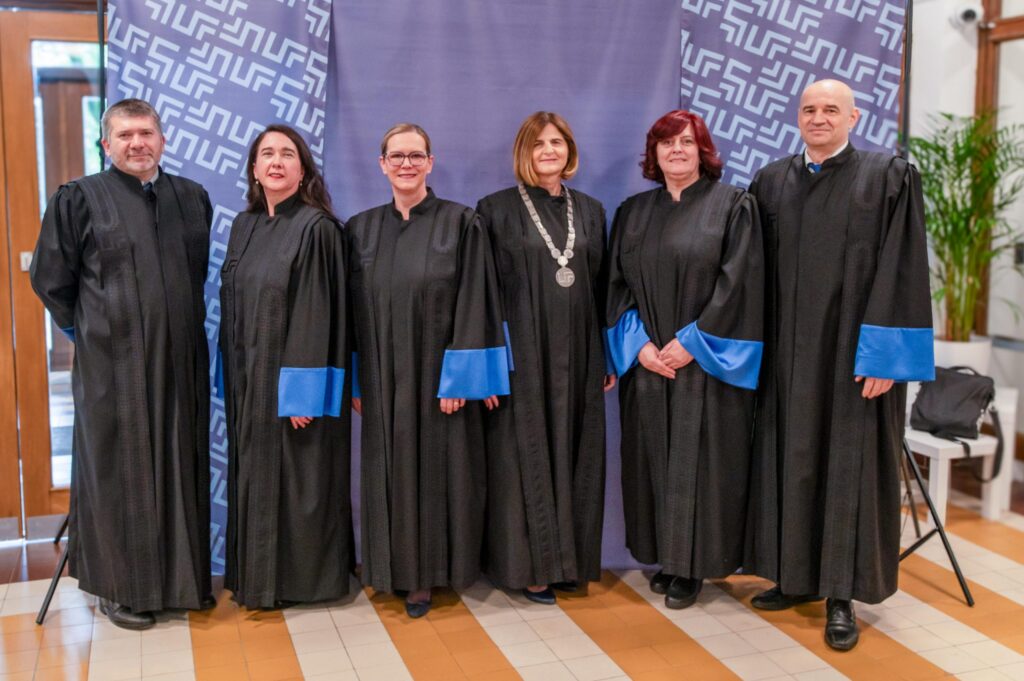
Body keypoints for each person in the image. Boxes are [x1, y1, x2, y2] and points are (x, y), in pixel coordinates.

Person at [744, 79, 934, 651]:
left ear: (853, 117)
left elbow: (904, 268)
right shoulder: (770, 181)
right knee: (789, 458)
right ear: (797, 117)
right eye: (809, 109)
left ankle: (841, 595)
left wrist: (886, 358)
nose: (818, 117)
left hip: (855, 356)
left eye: (831, 109)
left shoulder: (887, 177)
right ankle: (793, 576)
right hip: (785, 356)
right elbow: (749, 272)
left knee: (846, 465)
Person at [30, 98, 212, 630]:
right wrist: (95, 332)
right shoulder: (79, 199)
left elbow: (194, 275)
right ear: (106, 143)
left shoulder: (191, 198)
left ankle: (181, 584)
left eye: (146, 133)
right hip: (113, 369)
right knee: (118, 472)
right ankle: (119, 590)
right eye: (126, 135)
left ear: (162, 139)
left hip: (179, 363)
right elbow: (51, 280)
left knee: (177, 464)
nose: (138, 143)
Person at [347, 123, 510, 618]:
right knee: (390, 472)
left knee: (440, 473)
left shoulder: (461, 224)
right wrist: (358, 379)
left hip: (441, 380)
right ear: (382, 164)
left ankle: (428, 577)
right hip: (383, 377)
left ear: (430, 163)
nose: (406, 164)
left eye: (416, 156)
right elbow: (350, 314)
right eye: (396, 156)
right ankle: (390, 569)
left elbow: (477, 299)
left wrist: (461, 378)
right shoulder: (359, 230)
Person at [605, 110, 763, 611]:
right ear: (654, 153)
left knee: (703, 465)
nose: (676, 150)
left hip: (706, 364)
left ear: (703, 151)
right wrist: (639, 346)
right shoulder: (633, 213)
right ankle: (668, 559)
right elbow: (615, 287)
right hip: (651, 363)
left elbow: (741, 284)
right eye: (667, 142)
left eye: (687, 142)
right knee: (652, 458)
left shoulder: (733, 206)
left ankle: (695, 565)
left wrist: (693, 342)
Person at [476, 112, 613, 605]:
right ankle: (529, 568)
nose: (548, 151)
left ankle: (569, 564)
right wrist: (488, 365)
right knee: (524, 455)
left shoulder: (592, 210)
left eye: (557, 142)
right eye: (538, 144)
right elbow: (481, 293)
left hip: (580, 352)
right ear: (524, 152)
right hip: (522, 354)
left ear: (569, 150)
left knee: (579, 450)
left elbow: (604, 288)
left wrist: (606, 357)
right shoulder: (494, 210)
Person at [219, 124, 352, 609]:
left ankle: (297, 585)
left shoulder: (317, 229)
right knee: (255, 478)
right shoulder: (244, 226)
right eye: (267, 154)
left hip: (293, 388)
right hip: (250, 385)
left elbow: (319, 315)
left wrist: (302, 395)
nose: (276, 161)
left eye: (288, 154)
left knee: (299, 478)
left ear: (303, 170)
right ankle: (256, 580)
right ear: (254, 169)